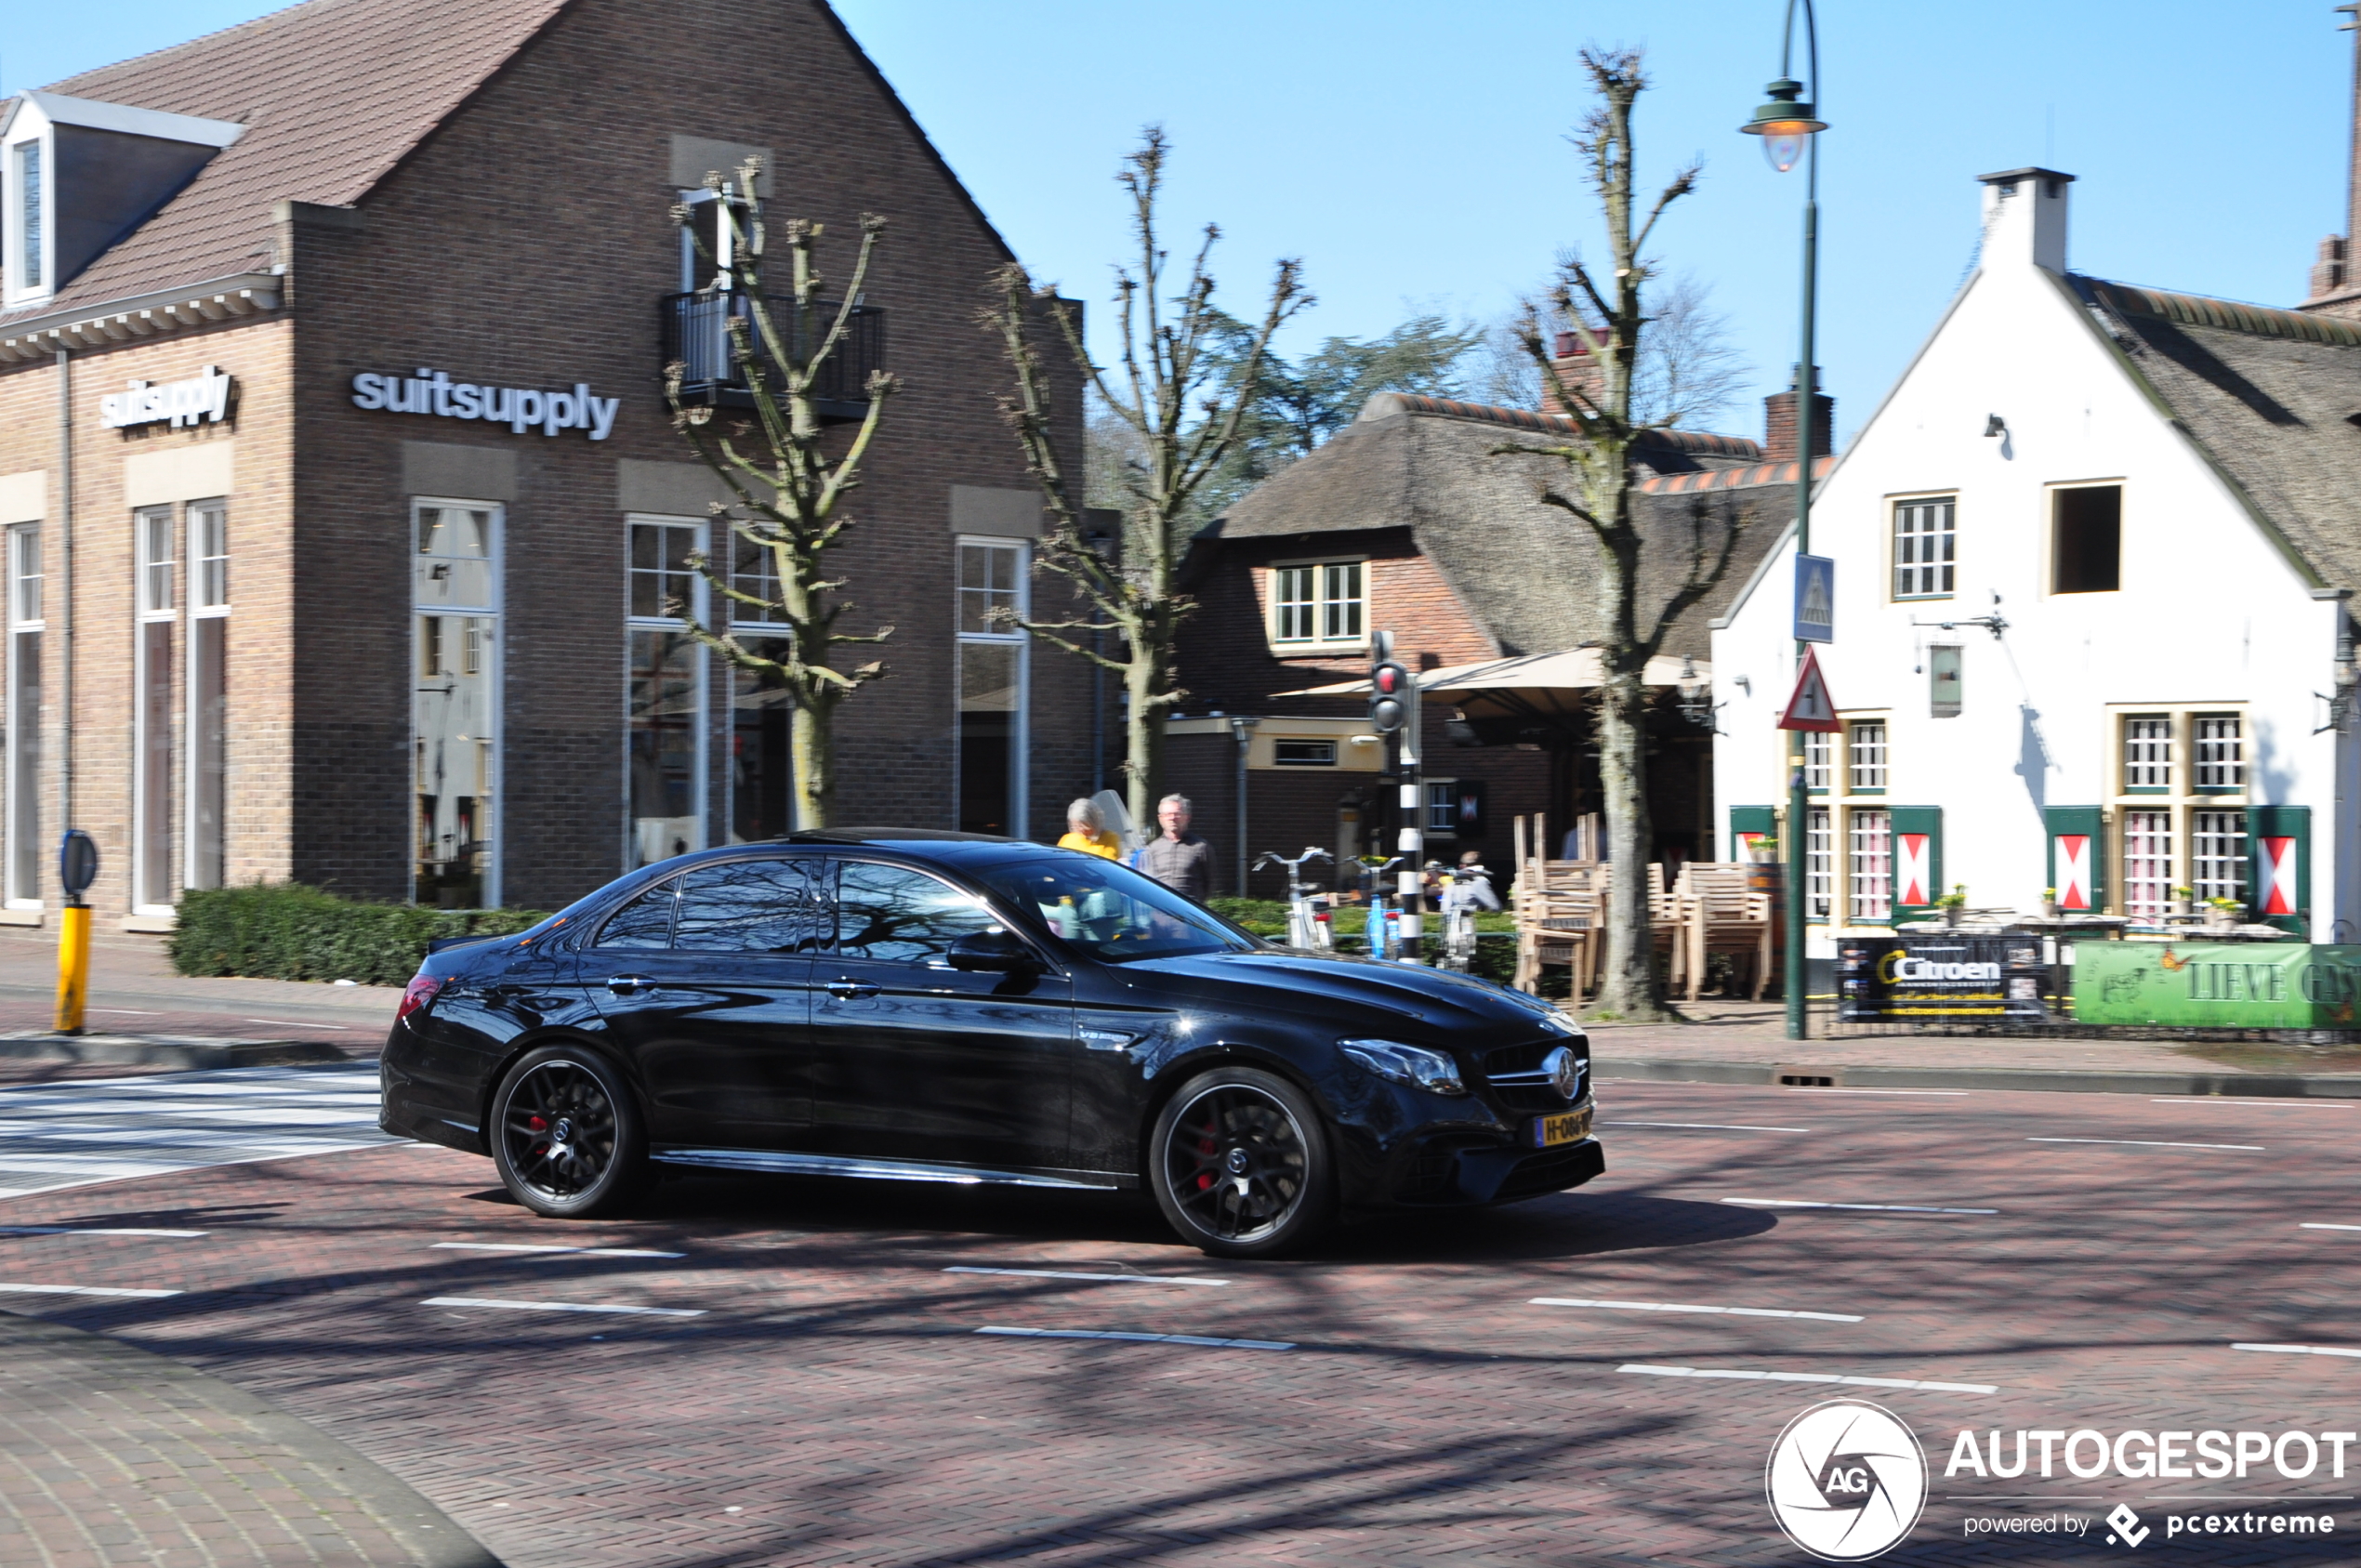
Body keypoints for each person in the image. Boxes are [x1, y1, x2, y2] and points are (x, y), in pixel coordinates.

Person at [1137, 793, 1213, 900]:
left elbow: (1209, 883)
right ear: (1160, 818)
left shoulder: (1201, 847)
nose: (1172, 818)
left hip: (1190, 911)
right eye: (1167, 814)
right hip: (1160, 910)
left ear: (1187, 817)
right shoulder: (1152, 849)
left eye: (1177, 814)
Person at [1057, 797, 1122, 860]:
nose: (1080, 830)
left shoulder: (1110, 838)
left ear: (1094, 822)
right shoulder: (1068, 839)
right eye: (1076, 826)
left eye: (1082, 826)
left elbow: (1108, 866)